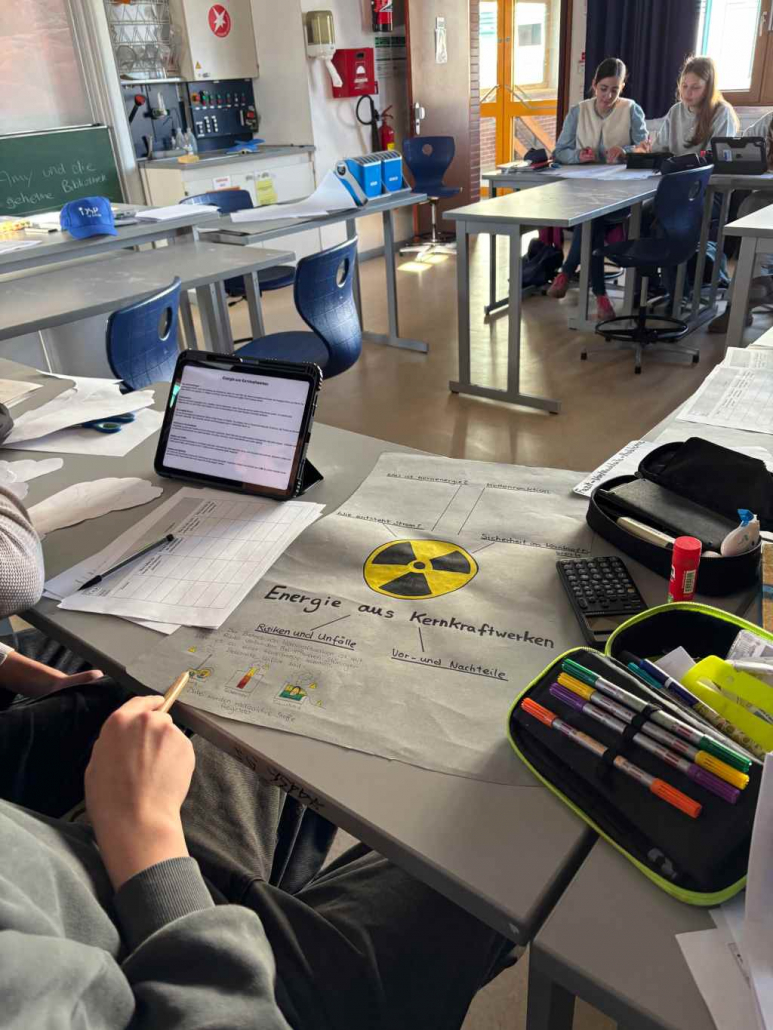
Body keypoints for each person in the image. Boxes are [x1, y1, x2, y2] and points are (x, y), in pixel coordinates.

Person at [0, 483, 516, 1028]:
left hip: (80, 859)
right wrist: (145, 829)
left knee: (257, 694)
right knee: (502, 832)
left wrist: (12, 666)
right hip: (179, 941)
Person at [548, 57, 648, 321]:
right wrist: (577, 156)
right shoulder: (578, 112)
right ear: (594, 85)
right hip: (582, 191)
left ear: (622, 87)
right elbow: (559, 152)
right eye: (603, 89)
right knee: (590, 217)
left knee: (591, 219)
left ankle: (569, 271)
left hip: (620, 194)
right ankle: (599, 295)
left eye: (615, 90)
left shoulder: (631, 109)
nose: (608, 96)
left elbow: (645, 147)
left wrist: (625, 151)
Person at [708, 109, 773, 334]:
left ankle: (740, 304)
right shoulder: (769, 120)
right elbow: (743, 144)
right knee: (751, 205)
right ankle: (756, 284)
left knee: (756, 207)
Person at [642, 55, 738, 158]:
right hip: (674, 167)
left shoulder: (722, 113)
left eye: (695, 87)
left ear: (708, 89)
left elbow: (716, 157)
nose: (687, 93)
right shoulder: (675, 110)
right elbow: (659, 150)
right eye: (684, 86)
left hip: (703, 169)